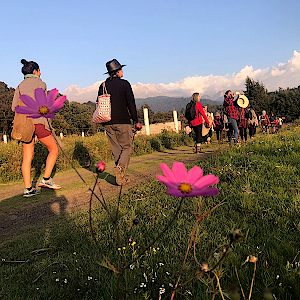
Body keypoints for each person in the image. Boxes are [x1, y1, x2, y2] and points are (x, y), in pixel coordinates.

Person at [11, 59, 61, 197]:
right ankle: (46, 180)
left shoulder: (20, 85)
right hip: (39, 122)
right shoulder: (41, 83)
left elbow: (13, 107)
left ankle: (28, 189)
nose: (40, 73)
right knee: (54, 149)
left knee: (27, 157)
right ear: (35, 71)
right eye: (39, 71)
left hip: (25, 125)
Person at [97, 59, 142, 185]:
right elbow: (131, 103)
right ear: (117, 71)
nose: (123, 71)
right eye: (121, 69)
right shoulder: (124, 84)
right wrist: (136, 120)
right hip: (123, 121)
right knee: (127, 147)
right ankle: (120, 169)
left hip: (108, 122)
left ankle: (120, 178)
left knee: (116, 150)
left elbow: (99, 103)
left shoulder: (103, 86)